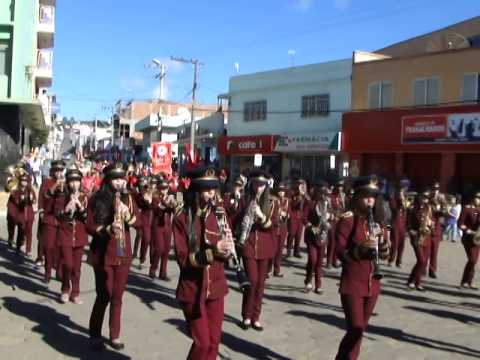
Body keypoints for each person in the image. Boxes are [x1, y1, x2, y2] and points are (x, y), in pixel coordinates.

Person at [172, 167, 234, 360]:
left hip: (216, 287)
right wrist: (213, 251)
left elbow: (223, 255)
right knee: (203, 343)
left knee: (214, 342)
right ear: (196, 191)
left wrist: (228, 250)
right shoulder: (182, 217)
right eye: (207, 190)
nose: (212, 194)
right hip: (193, 289)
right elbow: (184, 259)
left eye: (214, 189)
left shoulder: (219, 215)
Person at [86, 162, 141, 351]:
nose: (119, 183)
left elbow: (139, 222)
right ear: (108, 180)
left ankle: (115, 334)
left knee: (117, 296)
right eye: (115, 179)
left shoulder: (129, 198)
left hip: (122, 252)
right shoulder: (96, 199)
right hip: (103, 252)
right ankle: (94, 334)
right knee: (104, 295)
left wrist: (128, 216)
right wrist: (106, 228)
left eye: (121, 178)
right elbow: (89, 225)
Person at [335, 176, 390, 360]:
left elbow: (384, 255)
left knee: (361, 330)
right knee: (355, 329)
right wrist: (361, 248)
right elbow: (340, 252)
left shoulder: (376, 222)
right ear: (357, 197)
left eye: (373, 197)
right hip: (352, 283)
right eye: (366, 196)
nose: (370, 201)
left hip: (373, 284)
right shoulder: (348, 220)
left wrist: (382, 245)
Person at [240, 170, 278, 331]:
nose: (258, 188)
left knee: (261, 284)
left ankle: (256, 317)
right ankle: (246, 315)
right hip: (248, 245)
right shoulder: (245, 199)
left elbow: (274, 226)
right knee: (252, 281)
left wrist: (261, 216)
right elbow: (234, 218)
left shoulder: (272, 202)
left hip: (266, 247)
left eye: (262, 185)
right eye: (256, 184)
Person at [55, 169, 88, 304]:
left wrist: (80, 207)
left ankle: (75, 292)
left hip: (79, 235)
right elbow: (57, 215)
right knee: (68, 264)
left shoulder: (85, 197)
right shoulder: (62, 196)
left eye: (77, 181)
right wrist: (67, 209)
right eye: (72, 182)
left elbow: (87, 218)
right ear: (68, 183)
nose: (75, 184)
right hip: (65, 234)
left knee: (77, 267)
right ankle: (65, 289)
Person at [41, 160, 67, 283]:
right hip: (50, 219)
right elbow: (44, 197)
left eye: (61, 171)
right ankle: (47, 272)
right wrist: (55, 185)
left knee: (61, 248)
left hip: (62, 220)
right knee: (49, 247)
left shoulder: (66, 183)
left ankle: (59, 272)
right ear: (52, 171)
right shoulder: (47, 182)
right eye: (56, 171)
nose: (59, 173)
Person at [304, 181, 332, 293]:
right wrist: (311, 226)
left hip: (323, 236)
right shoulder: (311, 203)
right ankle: (308, 280)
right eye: (322, 193)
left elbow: (335, 213)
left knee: (319, 262)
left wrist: (332, 218)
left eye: (326, 194)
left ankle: (318, 285)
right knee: (312, 259)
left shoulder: (328, 203)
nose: (324, 196)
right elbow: (304, 217)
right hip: (312, 235)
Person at [407, 189, 434, 291]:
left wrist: (431, 224)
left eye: (427, 198)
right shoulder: (413, 209)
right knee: (421, 260)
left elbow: (432, 220)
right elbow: (408, 224)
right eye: (423, 198)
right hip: (417, 238)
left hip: (426, 236)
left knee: (424, 261)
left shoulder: (429, 208)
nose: (425, 200)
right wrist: (412, 231)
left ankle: (417, 282)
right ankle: (412, 281)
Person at [150, 178, 177, 281]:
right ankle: (153, 269)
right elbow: (157, 210)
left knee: (166, 250)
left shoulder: (170, 197)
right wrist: (164, 202)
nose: (164, 190)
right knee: (159, 249)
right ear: (158, 188)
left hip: (168, 226)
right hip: (158, 226)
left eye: (165, 188)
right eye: (162, 188)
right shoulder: (155, 198)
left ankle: (163, 272)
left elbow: (174, 209)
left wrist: (174, 204)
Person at [7, 173, 36, 256]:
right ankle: (18, 247)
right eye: (23, 180)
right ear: (20, 181)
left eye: (26, 181)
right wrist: (21, 200)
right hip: (21, 214)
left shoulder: (30, 190)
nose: (25, 182)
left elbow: (34, 200)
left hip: (30, 214)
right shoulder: (16, 191)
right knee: (21, 231)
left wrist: (32, 199)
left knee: (29, 232)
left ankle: (28, 250)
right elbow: (16, 202)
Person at [458, 192, 480, 289]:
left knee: (474, 260)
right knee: (472, 259)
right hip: (468, 239)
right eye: (477, 197)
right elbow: (460, 224)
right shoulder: (467, 209)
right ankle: (464, 281)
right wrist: (469, 231)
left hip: (478, 239)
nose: (478, 200)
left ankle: (469, 281)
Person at [388, 179, 410, 267]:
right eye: (400, 190)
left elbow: (408, 211)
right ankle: (391, 259)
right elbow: (395, 210)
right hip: (395, 224)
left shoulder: (406, 199)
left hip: (403, 224)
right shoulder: (392, 199)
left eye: (402, 190)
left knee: (402, 244)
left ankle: (399, 261)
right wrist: (401, 201)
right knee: (395, 243)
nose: (401, 191)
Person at [287, 179, 309, 258]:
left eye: (302, 184)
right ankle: (289, 250)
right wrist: (298, 199)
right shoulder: (292, 192)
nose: (301, 186)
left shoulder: (305, 194)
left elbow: (309, 204)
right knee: (292, 233)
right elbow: (291, 205)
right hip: (293, 215)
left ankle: (297, 251)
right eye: (299, 184)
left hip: (301, 216)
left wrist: (304, 195)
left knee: (298, 235)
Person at [271, 181, 289, 277]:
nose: (281, 192)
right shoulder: (273, 200)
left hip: (282, 227)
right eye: (279, 191)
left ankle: (277, 270)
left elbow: (289, 213)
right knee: (272, 248)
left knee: (280, 250)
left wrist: (286, 215)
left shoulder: (287, 200)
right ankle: (269, 269)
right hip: (274, 227)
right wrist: (279, 212)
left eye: (282, 191)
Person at [329, 179, 347, 268]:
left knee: (339, 242)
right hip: (334, 221)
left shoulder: (344, 196)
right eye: (339, 186)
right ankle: (329, 261)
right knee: (332, 241)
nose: (340, 188)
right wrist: (334, 214)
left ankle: (335, 260)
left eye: (342, 187)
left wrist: (343, 201)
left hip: (341, 221)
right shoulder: (332, 196)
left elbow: (346, 208)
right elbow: (329, 208)